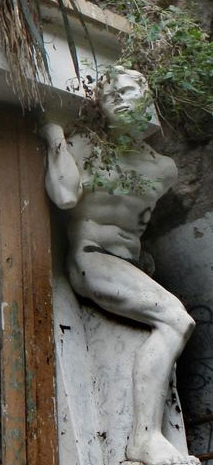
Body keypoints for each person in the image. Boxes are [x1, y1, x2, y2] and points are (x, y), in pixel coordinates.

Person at [41, 67, 198, 465]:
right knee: (177, 320)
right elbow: (62, 197)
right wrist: (54, 136)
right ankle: (143, 439)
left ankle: (148, 437)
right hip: (90, 259)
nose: (121, 99)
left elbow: (139, 226)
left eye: (129, 90)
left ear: (147, 97)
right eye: (111, 96)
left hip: (128, 266)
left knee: (176, 321)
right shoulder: (87, 145)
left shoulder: (164, 170)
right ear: (101, 109)